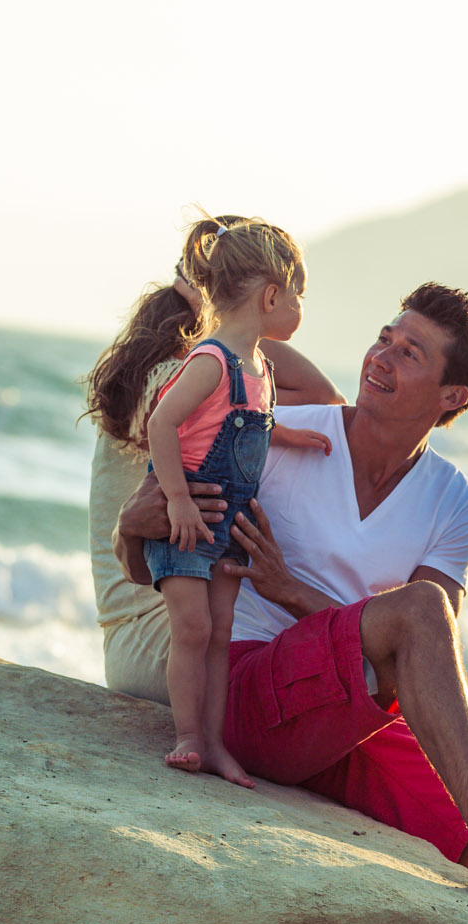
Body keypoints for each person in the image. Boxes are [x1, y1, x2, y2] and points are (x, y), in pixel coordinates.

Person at [112, 279, 468, 924]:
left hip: (352, 715)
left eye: (412, 352)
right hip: (252, 693)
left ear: (453, 394)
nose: (382, 356)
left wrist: (297, 593)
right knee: (422, 614)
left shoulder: (454, 502)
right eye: (385, 337)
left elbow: (415, 655)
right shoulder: (279, 436)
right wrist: (136, 526)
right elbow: (151, 548)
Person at [85, 221, 344, 710]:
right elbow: (323, 393)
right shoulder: (172, 376)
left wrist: (241, 327)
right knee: (309, 671)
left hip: (182, 602)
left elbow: (322, 400)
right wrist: (229, 322)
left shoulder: (226, 370)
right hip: (148, 631)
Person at [140, 215, 329, 786]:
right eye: (299, 295)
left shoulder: (261, 368)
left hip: (229, 520)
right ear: (272, 296)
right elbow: (162, 424)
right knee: (193, 627)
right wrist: (176, 500)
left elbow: (251, 424)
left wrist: (288, 435)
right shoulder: (212, 360)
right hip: (188, 520)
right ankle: (189, 737)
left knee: (221, 632)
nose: (300, 307)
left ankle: (217, 745)